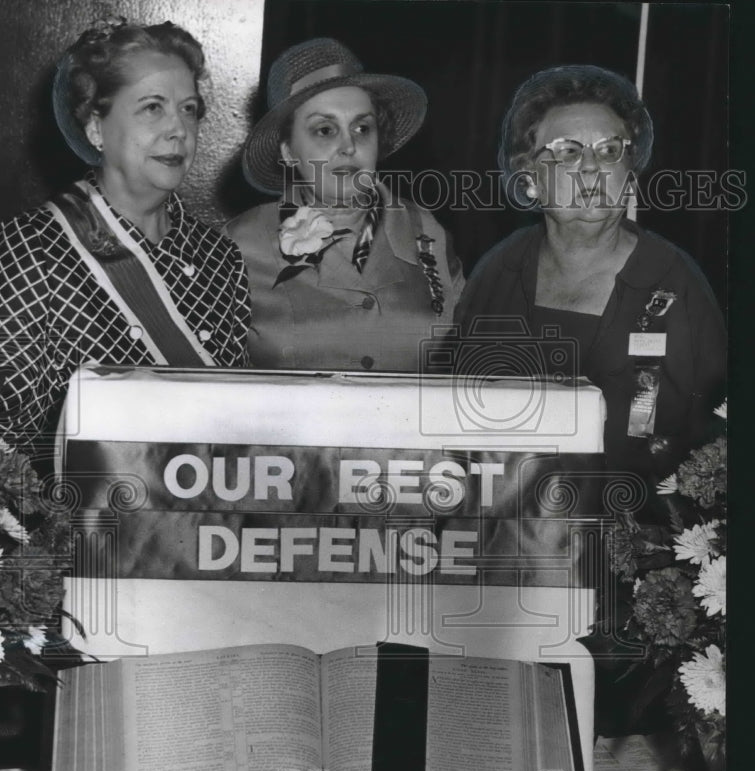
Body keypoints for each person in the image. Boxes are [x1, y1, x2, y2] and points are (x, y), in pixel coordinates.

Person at [453, 65, 726, 502]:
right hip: (503, 533)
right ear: (529, 179)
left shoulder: (677, 284)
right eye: (567, 152)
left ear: (630, 171)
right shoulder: (500, 267)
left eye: (610, 150)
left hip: (636, 542)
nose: (592, 170)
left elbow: (709, 449)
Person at [0, 18, 251, 454]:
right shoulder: (29, 248)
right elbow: (10, 455)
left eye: (189, 109)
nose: (179, 129)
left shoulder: (219, 256)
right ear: (96, 127)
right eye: (152, 107)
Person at [226, 37, 464, 372]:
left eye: (362, 128)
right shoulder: (236, 245)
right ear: (288, 151)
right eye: (325, 130)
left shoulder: (428, 231)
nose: (348, 146)